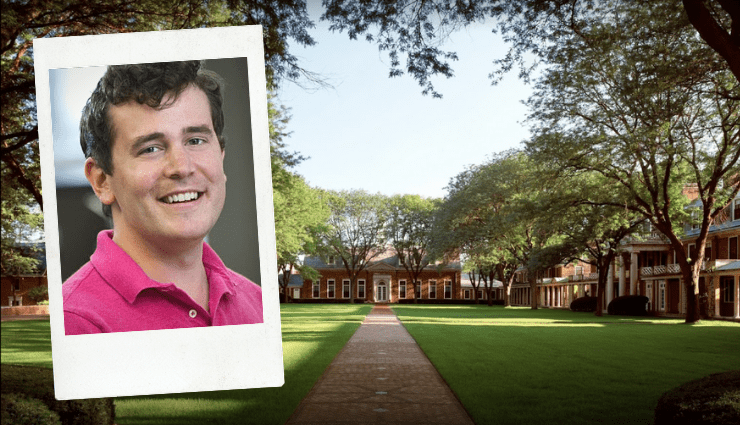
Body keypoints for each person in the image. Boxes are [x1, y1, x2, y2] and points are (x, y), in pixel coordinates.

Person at [63, 61, 263, 335]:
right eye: (151, 148)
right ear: (101, 180)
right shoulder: (73, 322)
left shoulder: (259, 303)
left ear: (221, 158)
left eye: (195, 140)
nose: (182, 167)